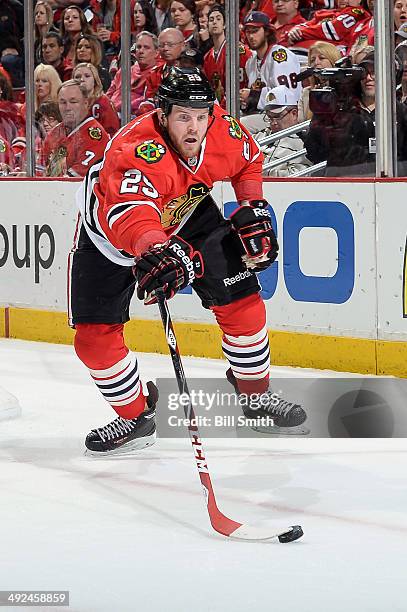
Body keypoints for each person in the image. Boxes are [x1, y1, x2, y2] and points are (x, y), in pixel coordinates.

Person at [70, 66, 306, 455]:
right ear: (162, 115)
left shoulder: (222, 130)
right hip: (112, 236)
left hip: (187, 211)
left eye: (200, 116)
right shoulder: (135, 150)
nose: (194, 127)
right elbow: (129, 213)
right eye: (183, 117)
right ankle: (135, 415)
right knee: (93, 341)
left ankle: (254, 394)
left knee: (244, 303)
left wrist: (252, 206)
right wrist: (156, 249)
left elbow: (249, 160)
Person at [240, 11, 301, 134]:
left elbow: (288, 96)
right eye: (248, 31)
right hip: (262, 114)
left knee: (238, 125)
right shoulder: (250, 62)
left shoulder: (280, 56)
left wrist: (252, 96)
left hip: (282, 115)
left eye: (255, 31)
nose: (251, 36)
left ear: (267, 31)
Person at [43, 79, 109, 176]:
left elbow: (75, 181)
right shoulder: (54, 134)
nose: (67, 108)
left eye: (73, 102)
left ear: (86, 103)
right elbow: (43, 171)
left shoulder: (95, 136)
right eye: (63, 102)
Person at [255, 85, 311, 176]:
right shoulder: (260, 136)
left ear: (294, 114)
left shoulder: (302, 143)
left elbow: (301, 177)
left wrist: (260, 172)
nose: (273, 123)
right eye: (270, 118)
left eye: (277, 117)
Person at [203, 4, 251, 107]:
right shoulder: (207, 57)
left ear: (225, 24)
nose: (214, 22)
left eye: (218, 19)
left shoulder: (238, 50)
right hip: (217, 107)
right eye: (211, 20)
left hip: (239, 105)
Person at [106, 31, 161, 115]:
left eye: (146, 47)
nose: (141, 51)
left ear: (156, 52)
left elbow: (148, 102)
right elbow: (109, 94)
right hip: (112, 114)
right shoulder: (124, 71)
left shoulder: (158, 73)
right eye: (138, 47)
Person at [139, 27, 184, 112]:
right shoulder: (153, 74)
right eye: (162, 45)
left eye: (170, 45)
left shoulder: (194, 73)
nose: (165, 49)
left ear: (183, 46)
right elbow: (149, 100)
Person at [72, 62, 120, 136]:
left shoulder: (103, 101)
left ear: (95, 81)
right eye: (77, 77)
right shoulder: (69, 103)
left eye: (87, 76)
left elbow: (113, 131)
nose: (82, 79)